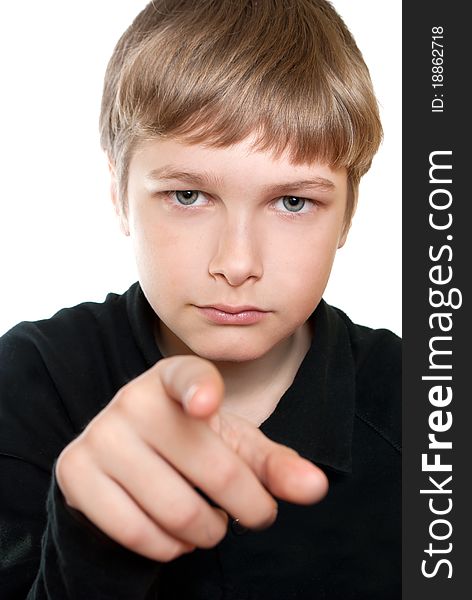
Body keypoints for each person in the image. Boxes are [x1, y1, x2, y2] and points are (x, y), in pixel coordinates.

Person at [0, 1, 401, 598]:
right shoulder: (30, 380)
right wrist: (88, 540)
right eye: (188, 195)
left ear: (349, 214)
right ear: (117, 192)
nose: (237, 264)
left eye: (293, 202)